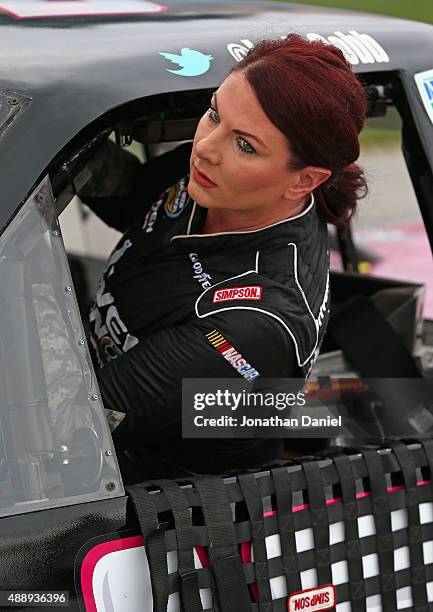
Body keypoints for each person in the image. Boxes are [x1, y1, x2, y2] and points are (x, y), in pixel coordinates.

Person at [78, 34, 368, 480]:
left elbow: (77, 428)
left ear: (302, 180)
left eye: (246, 145)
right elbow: (133, 196)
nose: (206, 146)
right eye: (214, 113)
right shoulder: (215, 170)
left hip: (156, 505)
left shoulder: (256, 322)